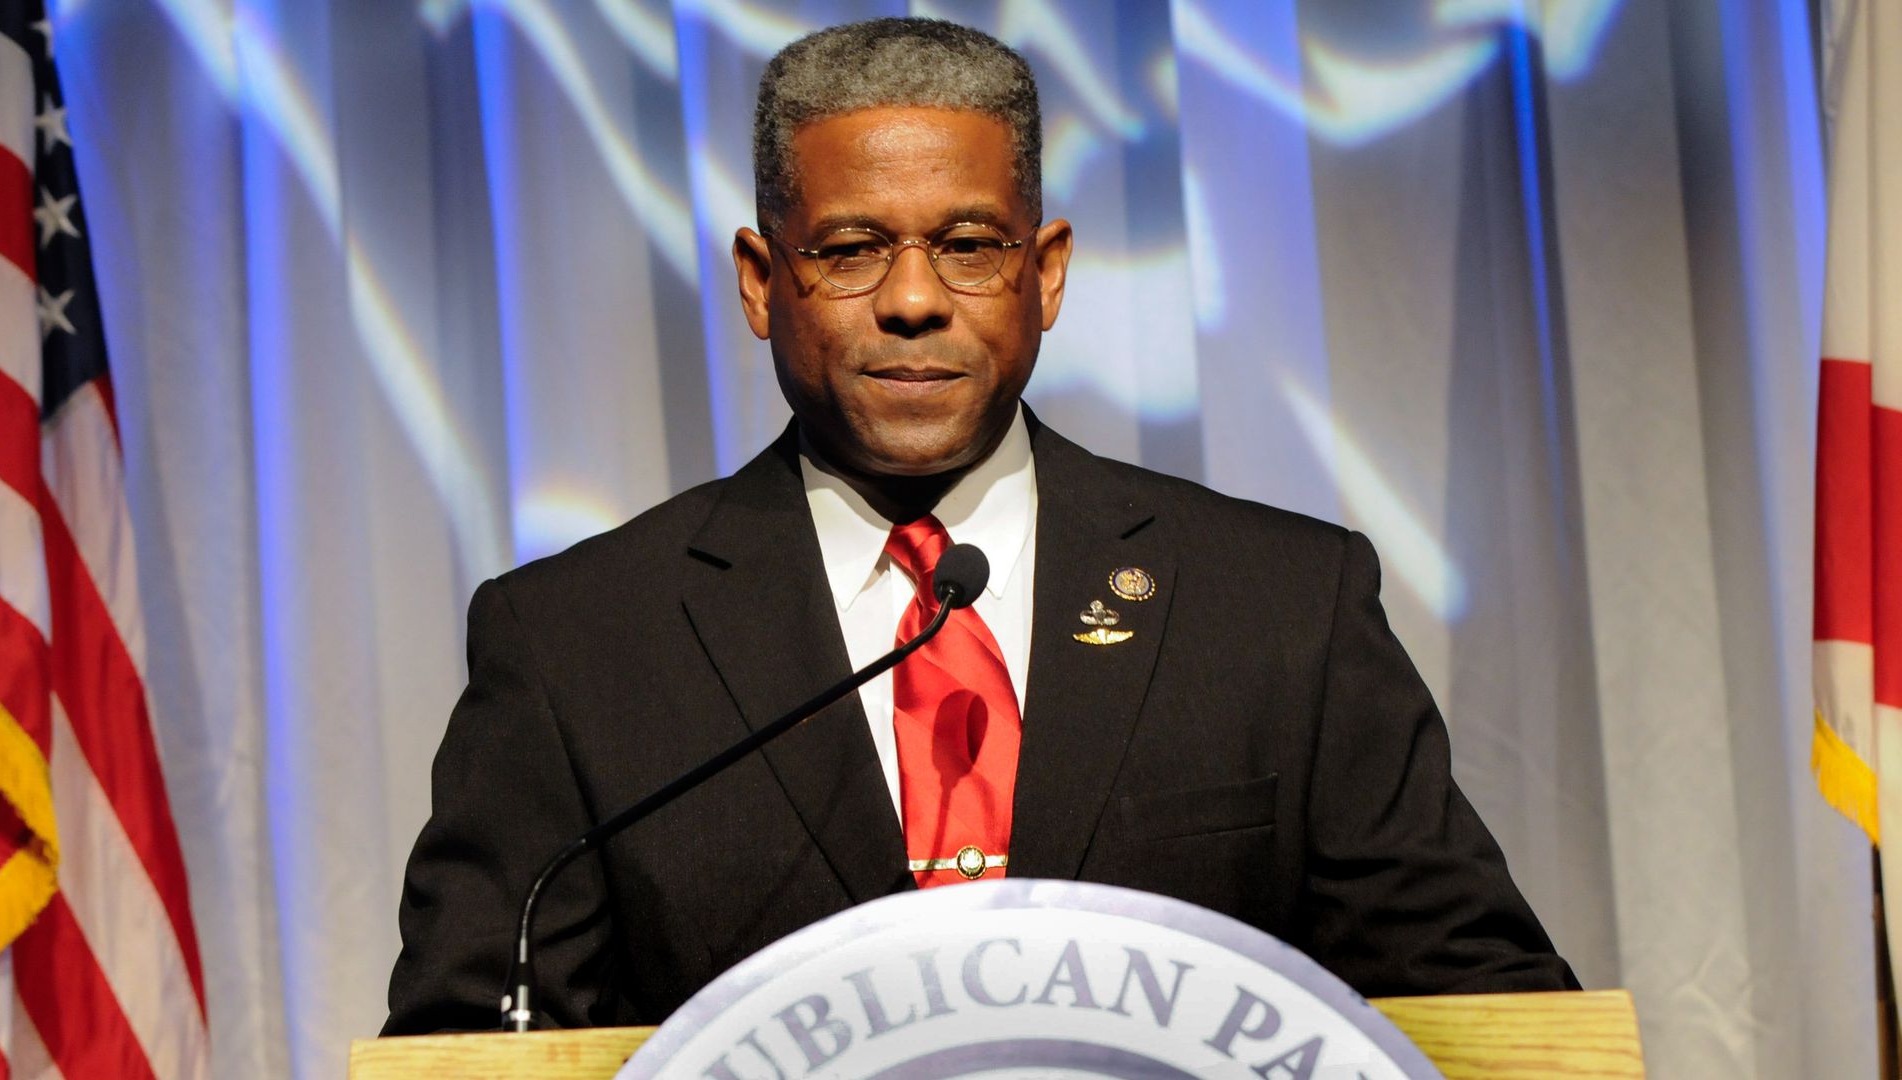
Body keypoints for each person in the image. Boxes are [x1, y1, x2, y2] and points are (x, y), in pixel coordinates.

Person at [383, 16, 1576, 1035]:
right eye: (850, 250)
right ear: (760, 279)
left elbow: (1488, 1015)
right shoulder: (579, 644)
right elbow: (472, 1043)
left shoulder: (1278, 605)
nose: (913, 301)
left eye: (967, 247)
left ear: (1044, 274)